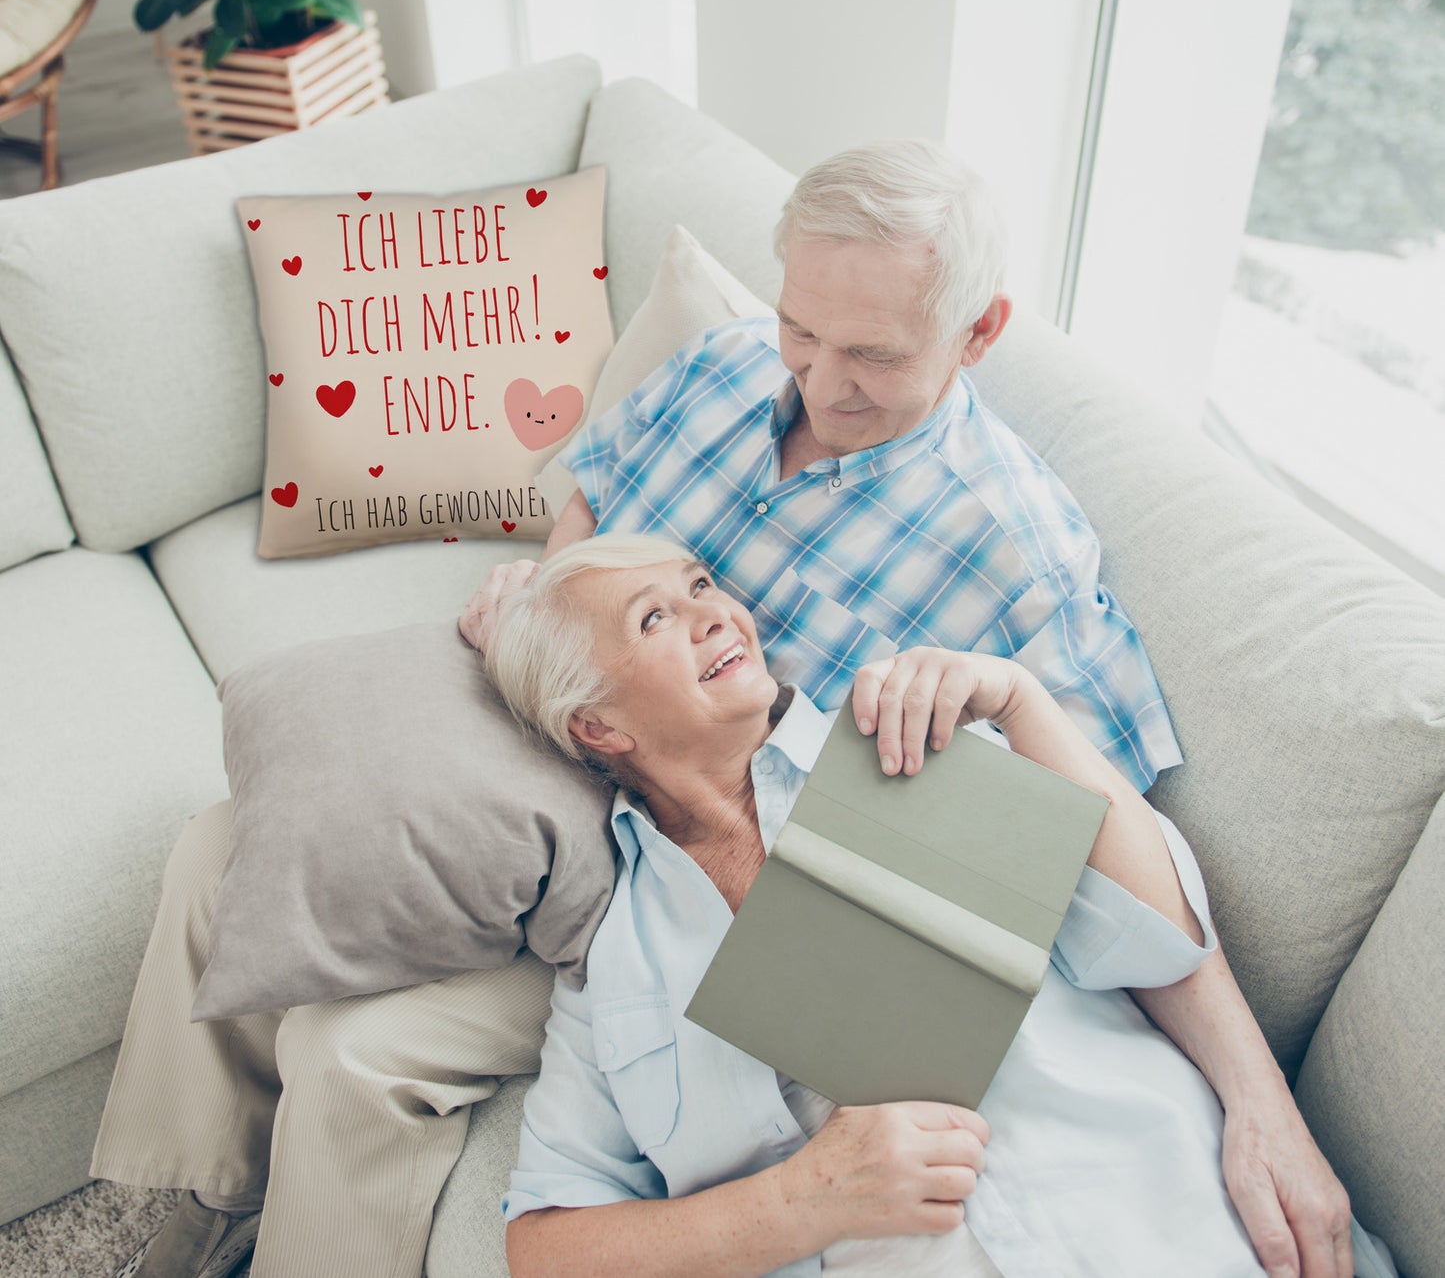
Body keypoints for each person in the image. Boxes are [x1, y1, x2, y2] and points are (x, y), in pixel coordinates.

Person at [94, 142, 1348, 1278]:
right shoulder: (725, 365)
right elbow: (592, 497)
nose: (818, 377)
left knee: (354, 1051)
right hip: (582, 721)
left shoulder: (1016, 557)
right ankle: (193, 1196)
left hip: (694, 846)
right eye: (804, 328)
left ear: (976, 334)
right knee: (229, 841)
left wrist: (1260, 1099)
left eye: (871, 353)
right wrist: (547, 595)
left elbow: (1103, 853)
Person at [486, 534, 1383, 1278]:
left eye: (700, 585)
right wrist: (803, 1200)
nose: (715, 612)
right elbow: (545, 1245)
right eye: (655, 617)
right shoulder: (614, 965)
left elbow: (1158, 939)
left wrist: (1021, 701)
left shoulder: (909, 740)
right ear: (597, 726)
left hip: (1173, 1223)